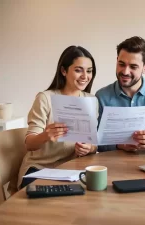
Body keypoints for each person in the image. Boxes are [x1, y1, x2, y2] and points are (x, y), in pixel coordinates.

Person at [17, 46, 98, 189]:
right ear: (64, 71)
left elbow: (93, 143)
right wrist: (46, 135)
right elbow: (29, 144)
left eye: (89, 71)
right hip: (40, 169)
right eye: (78, 70)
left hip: (72, 170)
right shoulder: (45, 98)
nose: (85, 76)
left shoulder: (91, 100)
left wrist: (89, 148)